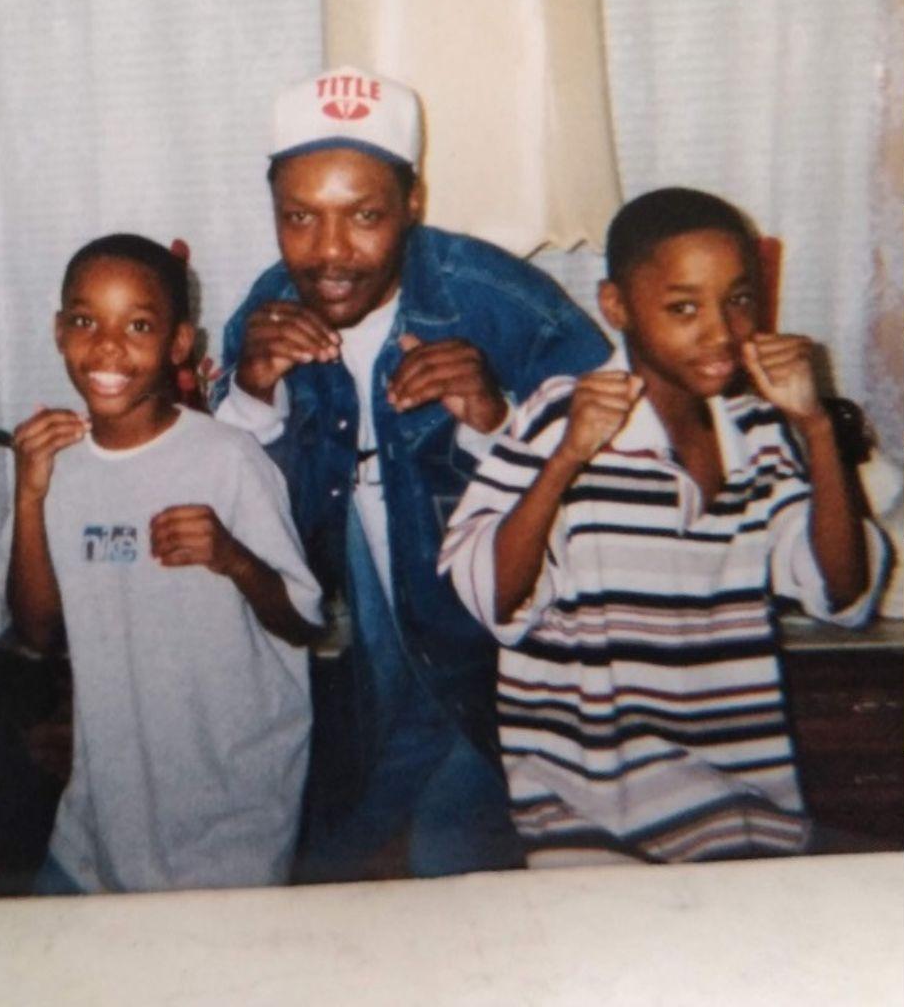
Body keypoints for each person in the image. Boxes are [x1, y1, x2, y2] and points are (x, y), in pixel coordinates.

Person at [212, 66, 613, 881]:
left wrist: (497, 420)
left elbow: (615, 473)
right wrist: (253, 393)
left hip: (494, 630)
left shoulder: (494, 296)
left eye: (364, 216)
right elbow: (239, 496)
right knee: (343, 845)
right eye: (300, 218)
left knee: (448, 856)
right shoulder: (267, 305)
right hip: (356, 623)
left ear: (413, 203)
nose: (328, 252)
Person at [439, 187, 891, 865]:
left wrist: (817, 429)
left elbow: (844, 593)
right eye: (684, 308)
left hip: (747, 812)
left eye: (739, 300)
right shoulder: (563, 415)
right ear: (617, 307)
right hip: (593, 821)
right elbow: (491, 597)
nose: (721, 331)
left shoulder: (760, 430)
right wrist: (567, 458)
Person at [7, 233, 323, 892]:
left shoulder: (227, 459)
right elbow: (37, 633)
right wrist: (30, 494)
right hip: (98, 824)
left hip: (227, 821)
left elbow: (302, 623)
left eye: (139, 324)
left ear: (180, 345)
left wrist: (232, 558)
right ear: (59, 331)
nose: (108, 347)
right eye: (86, 321)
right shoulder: (56, 463)